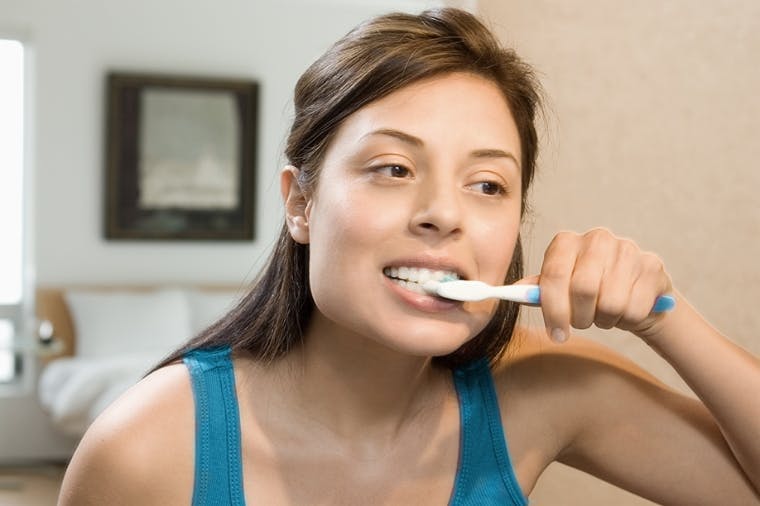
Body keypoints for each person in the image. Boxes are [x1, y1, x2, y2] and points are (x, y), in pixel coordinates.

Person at [58, 8, 759, 505]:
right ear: (300, 203)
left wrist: (666, 318)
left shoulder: (543, 390)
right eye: (393, 168)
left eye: (487, 184)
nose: (445, 213)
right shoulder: (147, 449)